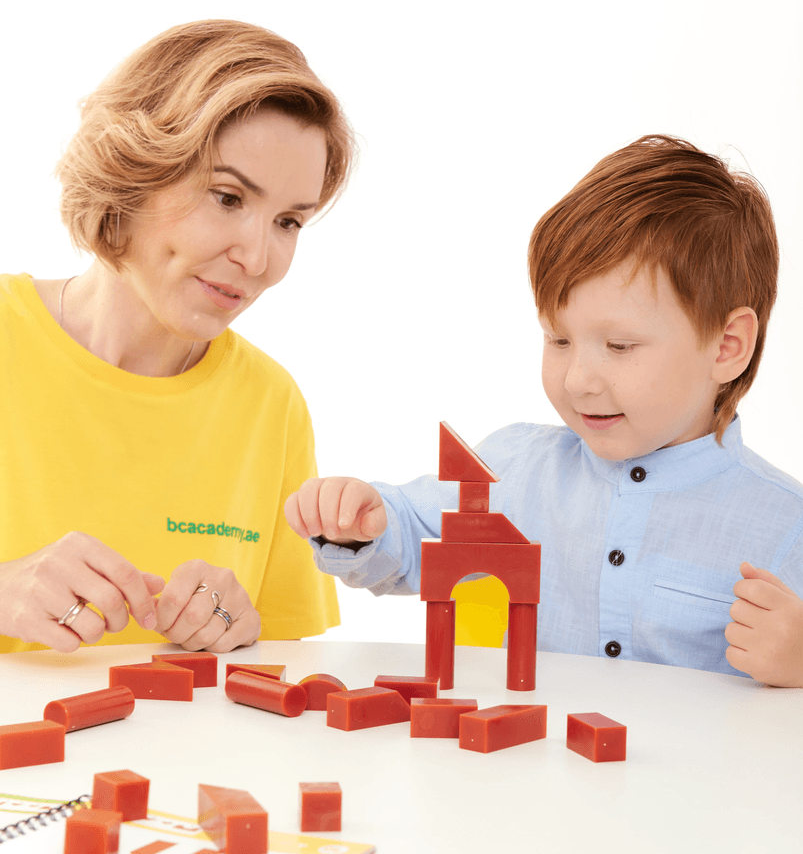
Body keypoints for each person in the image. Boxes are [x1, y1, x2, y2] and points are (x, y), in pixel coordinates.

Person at [285, 135, 803, 687]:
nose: (577, 380)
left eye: (620, 347)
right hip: (527, 766)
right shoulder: (514, 467)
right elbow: (415, 533)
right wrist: (364, 523)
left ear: (727, 346)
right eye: (558, 340)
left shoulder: (786, 526)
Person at [1, 19, 354, 655]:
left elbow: (290, 680)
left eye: (288, 221)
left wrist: (244, 635)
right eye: (226, 197)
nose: (257, 256)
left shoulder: (271, 407)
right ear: (130, 170)